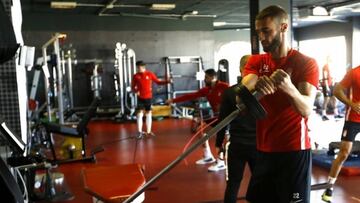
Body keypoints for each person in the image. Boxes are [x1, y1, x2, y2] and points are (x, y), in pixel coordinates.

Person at [241, 5, 319, 203]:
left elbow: (306, 108)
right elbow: (242, 93)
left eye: (266, 31)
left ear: (283, 28)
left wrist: (289, 88)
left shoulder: (305, 63)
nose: (261, 37)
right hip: (264, 150)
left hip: (294, 151)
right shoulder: (256, 62)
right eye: (259, 31)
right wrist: (255, 86)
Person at [166, 69, 229, 167]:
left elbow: (235, 97)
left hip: (226, 117)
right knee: (201, 131)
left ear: (214, 78)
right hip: (216, 116)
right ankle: (208, 156)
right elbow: (191, 96)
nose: (204, 79)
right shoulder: (206, 90)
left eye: (206, 77)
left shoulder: (224, 86)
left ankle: (221, 162)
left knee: (222, 137)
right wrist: (173, 100)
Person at [215, 55, 257, 203]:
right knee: (259, 183)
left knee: (233, 183)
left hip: (238, 145)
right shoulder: (262, 91)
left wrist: (218, 144)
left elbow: (222, 121)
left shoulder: (230, 92)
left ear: (240, 70)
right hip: (257, 145)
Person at [321, 65, 360, 203]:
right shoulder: (354, 73)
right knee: (344, 152)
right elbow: (337, 90)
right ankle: (329, 187)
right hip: (353, 119)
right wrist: (351, 103)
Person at [131, 61, 171, 139]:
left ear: (143, 67)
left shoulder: (150, 74)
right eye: (137, 67)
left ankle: (148, 132)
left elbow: (158, 82)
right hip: (140, 98)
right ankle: (139, 132)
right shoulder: (135, 76)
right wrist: (136, 91)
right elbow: (133, 87)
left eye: (139, 67)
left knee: (148, 114)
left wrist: (167, 81)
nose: (138, 69)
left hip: (148, 97)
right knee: (139, 114)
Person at [321, 56, 343, 121]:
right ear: (327, 59)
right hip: (326, 85)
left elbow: (332, 76)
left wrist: (333, 82)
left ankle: (336, 114)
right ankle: (323, 115)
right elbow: (325, 77)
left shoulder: (331, 66)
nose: (331, 59)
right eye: (330, 59)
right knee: (326, 99)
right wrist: (327, 87)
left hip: (332, 85)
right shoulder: (325, 66)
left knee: (334, 98)